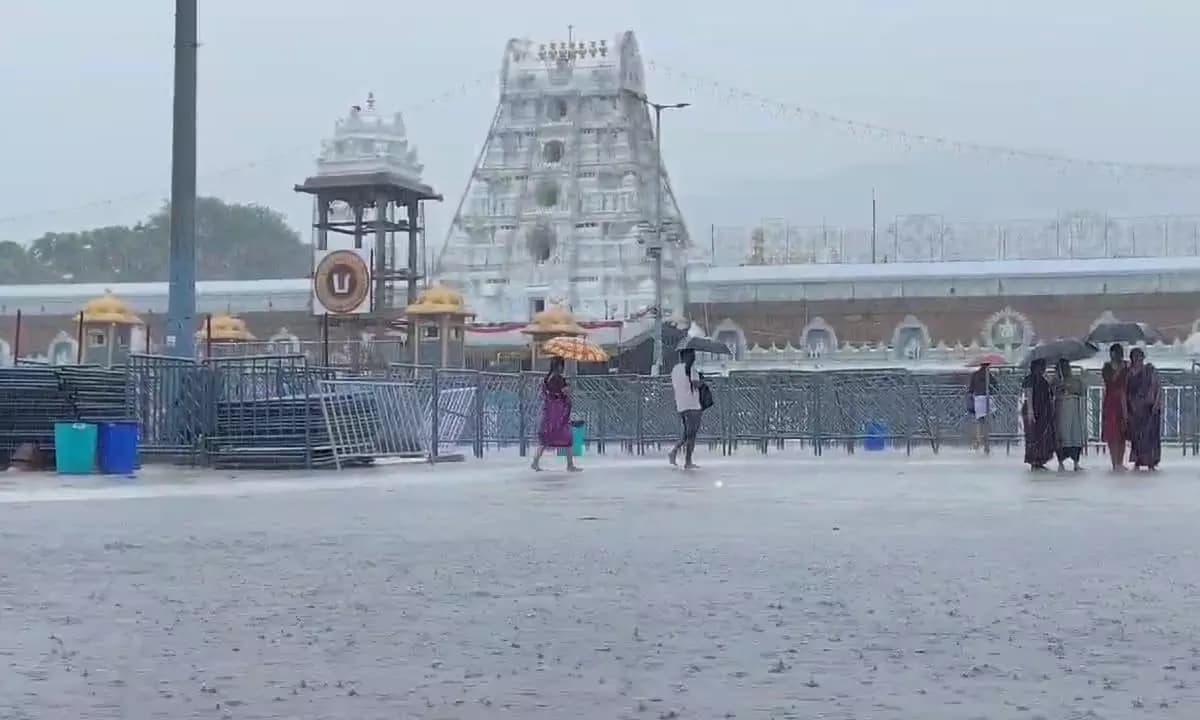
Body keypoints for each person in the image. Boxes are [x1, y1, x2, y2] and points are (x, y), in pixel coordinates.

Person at [530, 356, 580, 472]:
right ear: (559, 366)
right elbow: (565, 392)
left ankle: (535, 461)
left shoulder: (547, 378)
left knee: (546, 438)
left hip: (549, 412)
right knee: (567, 437)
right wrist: (570, 387)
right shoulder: (558, 379)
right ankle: (570, 465)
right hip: (558, 413)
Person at [1126, 347, 1163, 471]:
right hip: (1135, 409)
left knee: (1151, 436)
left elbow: (1158, 387)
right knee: (1137, 437)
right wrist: (1130, 406)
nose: (1138, 359)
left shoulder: (1150, 370)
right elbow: (1127, 392)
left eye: (1140, 357)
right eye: (1135, 357)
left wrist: (1157, 402)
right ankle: (1138, 460)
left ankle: (1151, 461)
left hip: (1150, 408)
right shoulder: (1130, 373)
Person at [668, 348, 702, 469]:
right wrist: (702, 379)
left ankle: (676, 452)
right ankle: (687, 460)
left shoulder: (675, 369)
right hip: (693, 404)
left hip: (681, 404)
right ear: (688, 356)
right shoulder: (691, 369)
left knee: (687, 432)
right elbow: (696, 384)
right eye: (693, 355)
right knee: (691, 433)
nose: (694, 358)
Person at [1021, 357, 1055, 470]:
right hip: (1033, 410)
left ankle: (1040, 459)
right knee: (1032, 435)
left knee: (1042, 435)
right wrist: (1031, 411)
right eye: (1042, 366)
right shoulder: (1030, 379)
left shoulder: (1043, 380)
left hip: (1042, 411)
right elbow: (1028, 395)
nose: (1044, 368)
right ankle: (1033, 460)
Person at [1052, 357, 1086, 471]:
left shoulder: (1075, 380)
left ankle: (1076, 462)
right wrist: (1059, 386)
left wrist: (1070, 387)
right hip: (1061, 408)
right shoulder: (1055, 381)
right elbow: (1052, 392)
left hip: (1073, 409)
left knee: (1074, 434)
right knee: (1062, 434)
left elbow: (1081, 390)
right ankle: (1061, 462)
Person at [1101, 343, 1129, 470]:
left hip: (1123, 400)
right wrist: (1119, 370)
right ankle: (1114, 462)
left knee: (1122, 432)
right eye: (1113, 352)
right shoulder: (1106, 367)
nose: (1116, 355)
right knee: (1112, 433)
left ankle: (1120, 461)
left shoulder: (1126, 366)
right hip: (1111, 401)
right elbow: (1110, 381)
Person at [967, 361, 995, 452]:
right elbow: (995, 386)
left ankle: (979, 440)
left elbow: (971, 388)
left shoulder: (975, 375)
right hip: (988, 398)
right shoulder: (989, 375)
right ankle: (986, 441)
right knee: (988, 420)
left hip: (978, 398)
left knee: (979, 421)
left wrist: (971, 395)